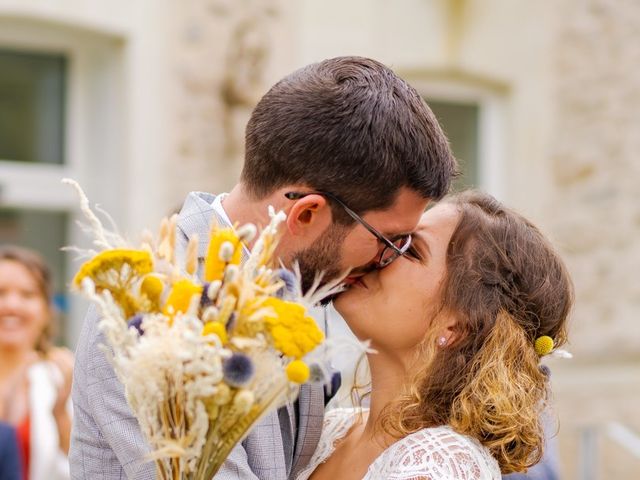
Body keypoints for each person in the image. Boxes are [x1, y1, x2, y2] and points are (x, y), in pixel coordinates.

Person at [69, 56, 457, 479]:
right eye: (387, 241)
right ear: (307, 214)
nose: (387, 261)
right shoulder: (152, 307)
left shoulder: (297, 287)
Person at [296, 191, 573, 480]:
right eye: (393, 237)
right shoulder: (330, 432)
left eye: (410, 249)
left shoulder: (440, 463)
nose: (380, 251)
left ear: (457, 327)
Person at [0, 246, 73, 480]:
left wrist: (61, 414)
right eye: (0, 293)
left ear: (46, 310)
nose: (11, 305)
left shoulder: (63, 378)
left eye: (27, 294)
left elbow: (87, 470)